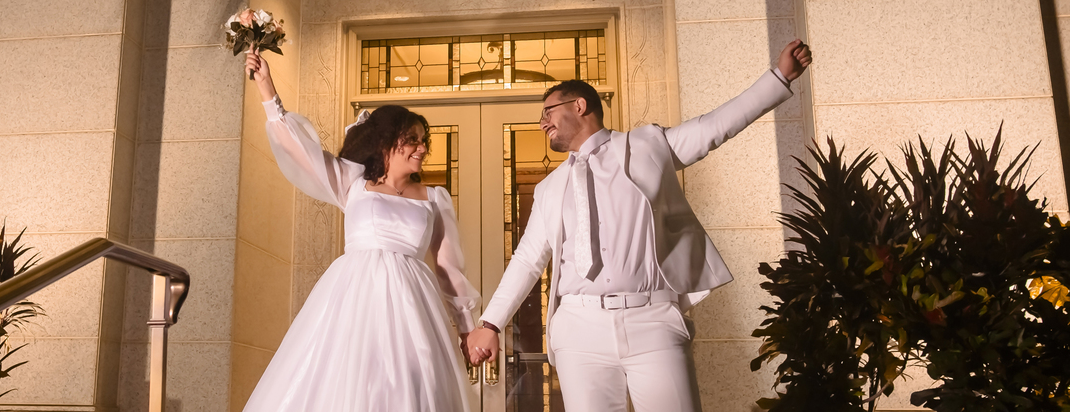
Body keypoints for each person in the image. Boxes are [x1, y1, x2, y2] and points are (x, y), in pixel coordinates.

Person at [466, 39, 813, 412]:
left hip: (653, 319)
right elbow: (528, 259)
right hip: (579, 327)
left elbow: (714, 127)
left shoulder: (647, 145)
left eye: (548, 111)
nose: (542, 122)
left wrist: (778, 78)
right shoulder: (550, 188)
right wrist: (491, 322)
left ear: (579, 106)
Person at [241, 49, 480, 412]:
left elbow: (448, 269)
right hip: (352, 299)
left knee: (411, 386)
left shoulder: (435, 198)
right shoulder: (351, 182)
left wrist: (467, 327)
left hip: (412, 306)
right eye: (413, 139)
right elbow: (301, 150)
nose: (423, 148)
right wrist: (266, 88)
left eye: (423, 140)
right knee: (346, 382)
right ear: (386, 142)